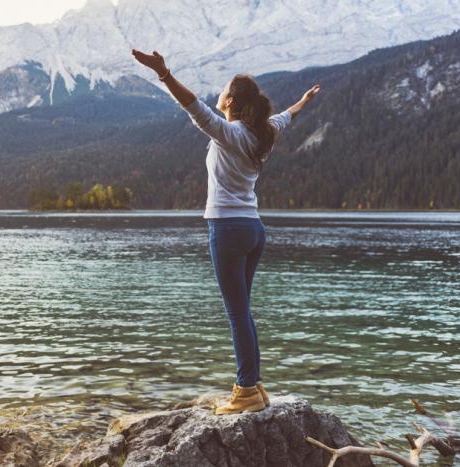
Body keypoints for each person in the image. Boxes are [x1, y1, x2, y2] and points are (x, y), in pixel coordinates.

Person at [131, 48, 320, 415]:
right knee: (243, 312)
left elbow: (192, 105)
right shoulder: (265, 132)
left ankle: (246, 390)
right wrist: (303, 101)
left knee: (237, 314)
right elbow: (286, 117)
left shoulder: (228, 132)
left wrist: (165, 74)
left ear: (230, 101)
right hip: (253, 228)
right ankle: (255, 384)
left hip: (228, 228)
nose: (217, 95)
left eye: (222, 90)